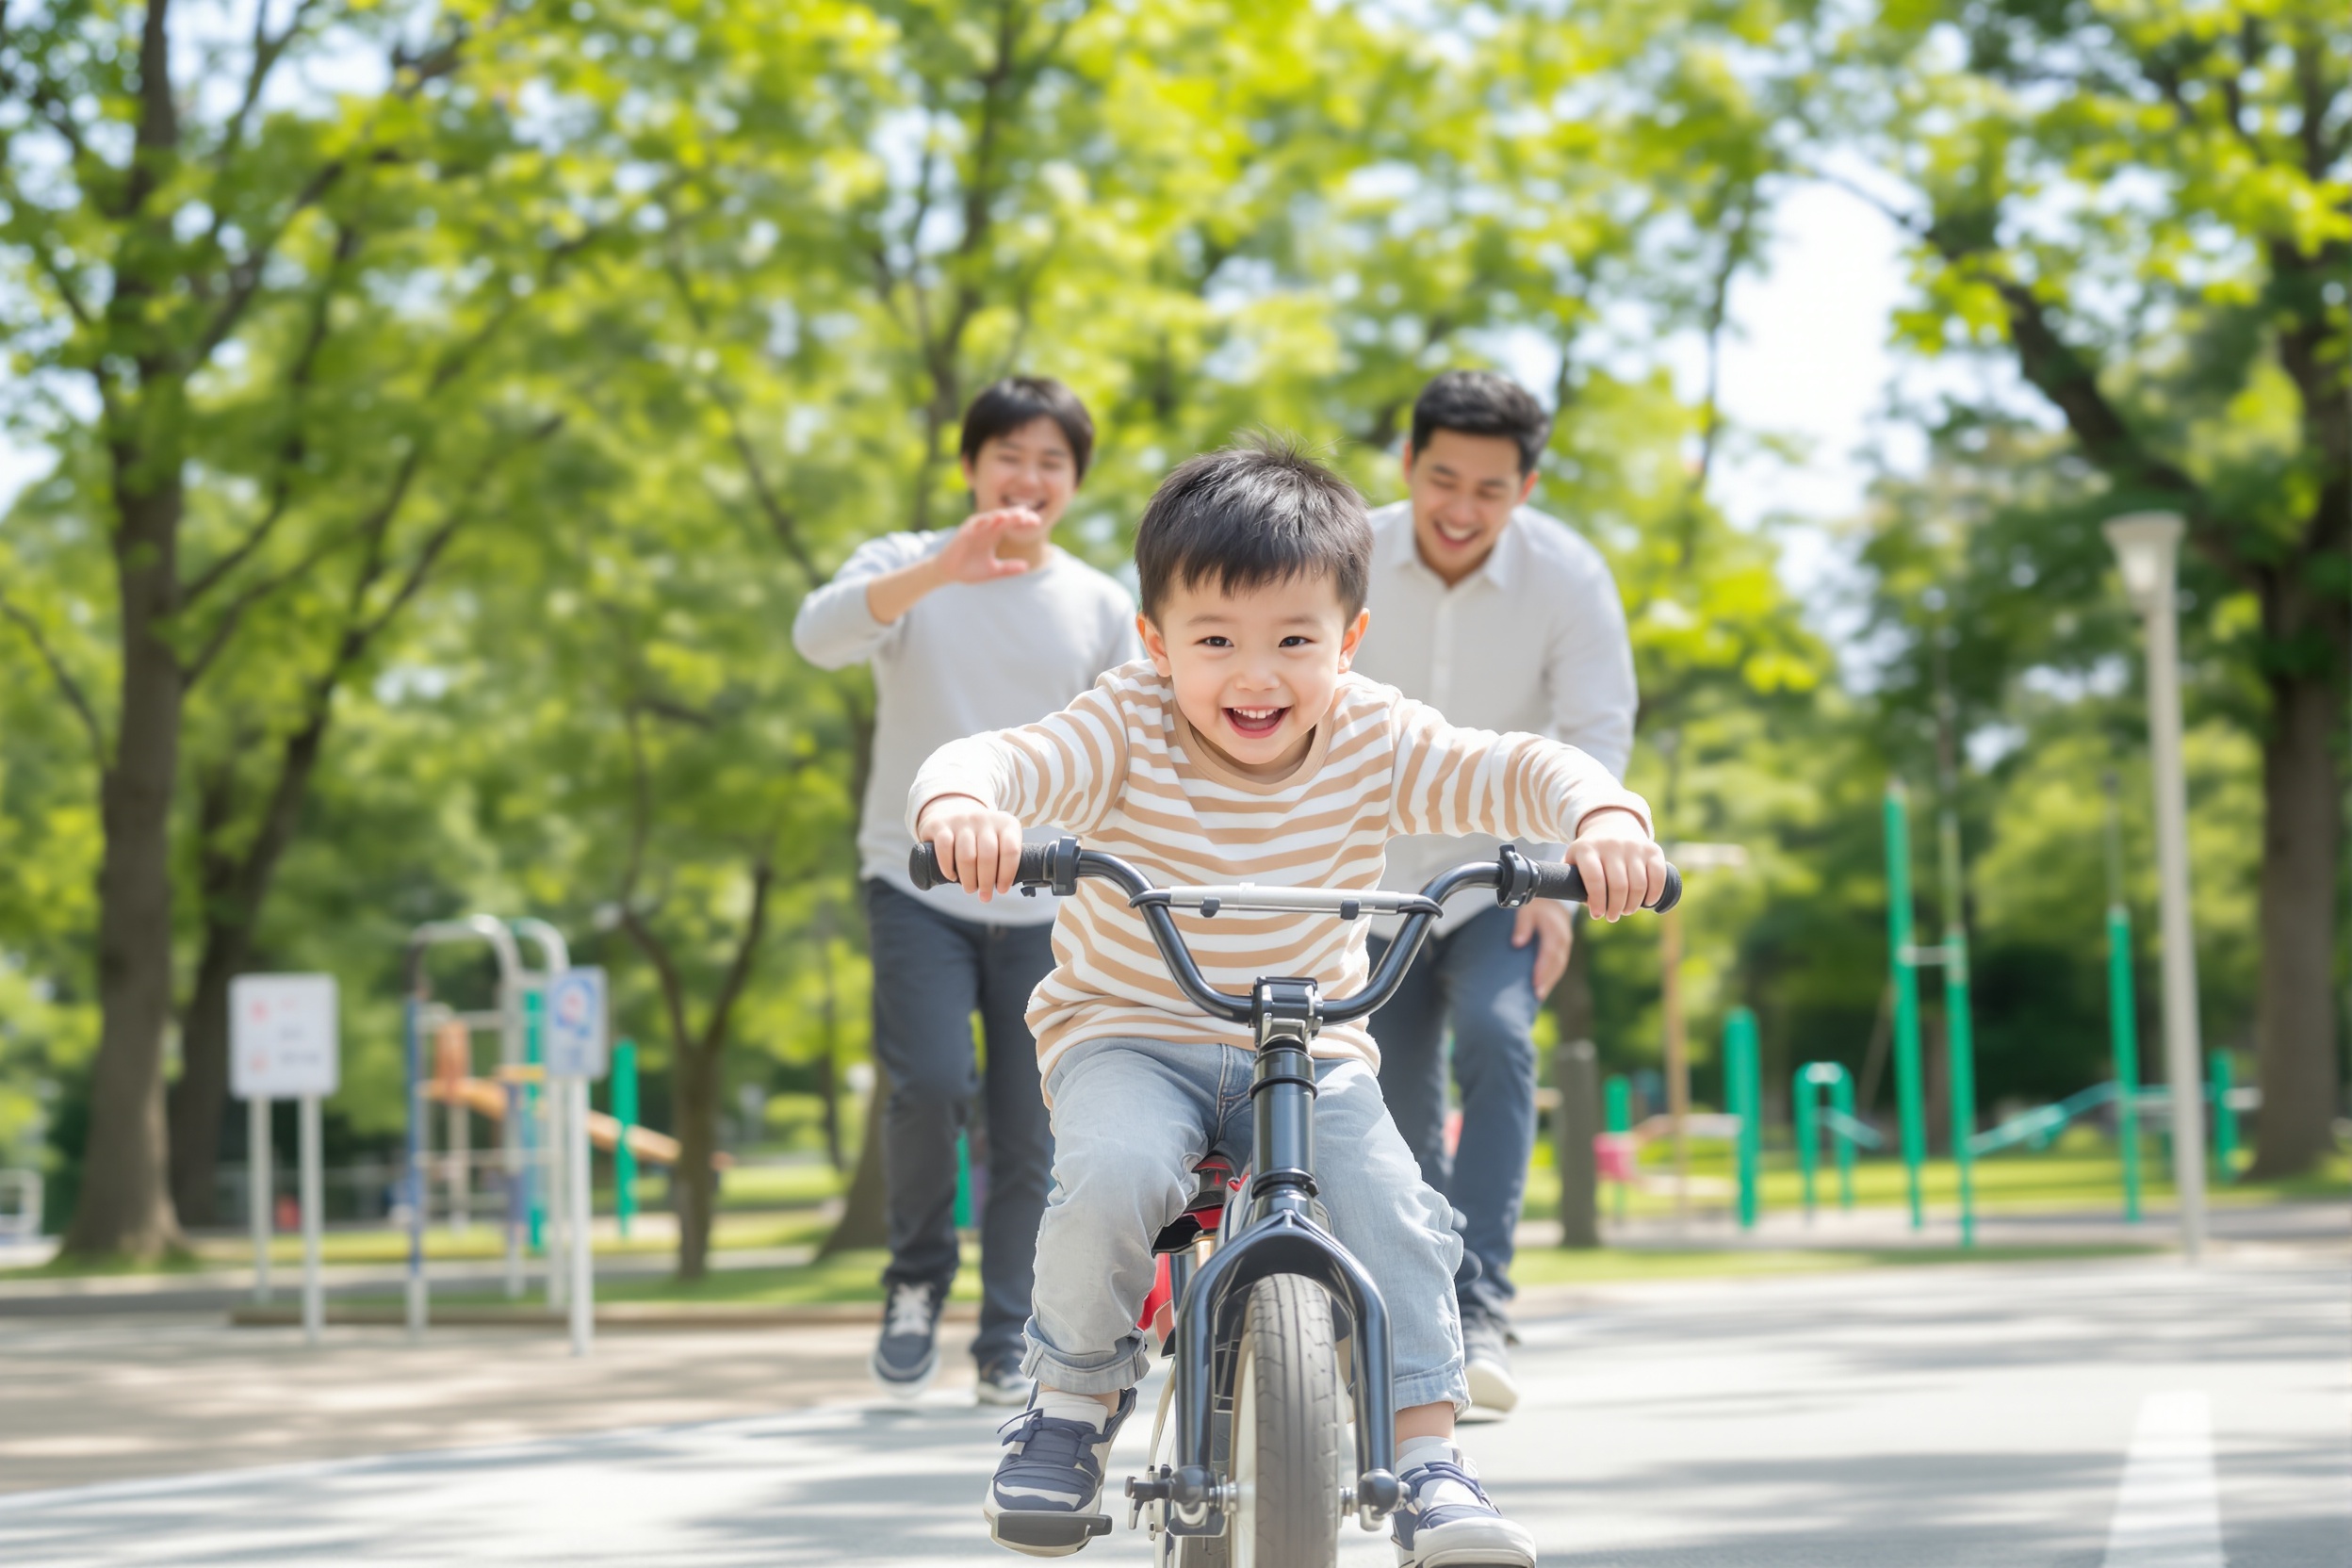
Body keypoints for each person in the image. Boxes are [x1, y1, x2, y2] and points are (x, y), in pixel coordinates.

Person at [908, 438, 1665, 1565]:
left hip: (1309, 1050)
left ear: (1349, 641)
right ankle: (1067, 1408)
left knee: (1396, 1208)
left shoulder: (1374, 732)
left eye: (1295, 642)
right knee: (1113, 1172)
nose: (1255, 676)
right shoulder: (1125, 722)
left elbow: (1518, 766)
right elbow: (999, 759)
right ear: (1155, 642)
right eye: (1214, 641)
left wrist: (1605, 817)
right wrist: (963, 806)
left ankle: (1429, 1458)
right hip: (1133, 1032)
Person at [792, 377, 1141, 1406]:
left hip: (1048, 897)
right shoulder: (905, 566)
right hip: (918, 879)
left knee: (1029, 1125)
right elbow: (817, 636)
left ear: (1075, 481)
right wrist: (940, 568)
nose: (1028, 479)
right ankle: (913, 1282)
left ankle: (1003, 1334)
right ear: (970, 465)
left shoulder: (1097, 600)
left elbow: (1128, 746)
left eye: (1052, 462)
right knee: (934, 1082)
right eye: (1010, 456)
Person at [1352, 369, 1637, 1418]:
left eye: (1490, 487)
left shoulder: (1568, 575)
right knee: (1395, 1094)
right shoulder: (1346, 553)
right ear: (1408, 466)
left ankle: (1483, 1307)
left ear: (1526, 485)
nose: (1461, 509)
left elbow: (1596, 725)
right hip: (1364, 878)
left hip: (1502, 868)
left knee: (1498, 1035)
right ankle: (1420, 1308)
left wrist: (1565, 876)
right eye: (1441, 479)